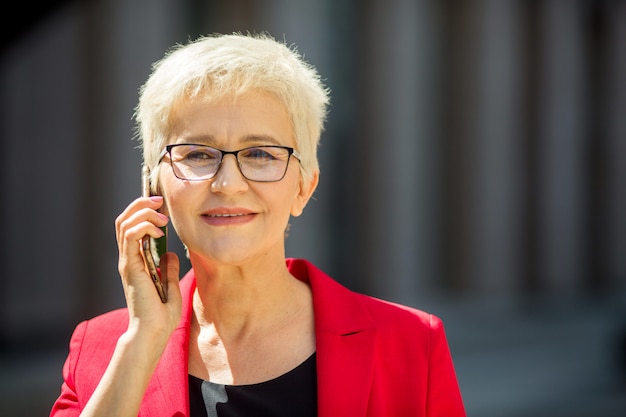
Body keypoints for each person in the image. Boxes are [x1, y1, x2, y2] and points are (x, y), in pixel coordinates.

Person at [49, 32, 466, 417]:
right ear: (153, 184)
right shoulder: (103, 348)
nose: (228, 184)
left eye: (261, 155)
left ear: (303, 187)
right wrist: (142, 342)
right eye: (196, 154)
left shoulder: (412, 343)